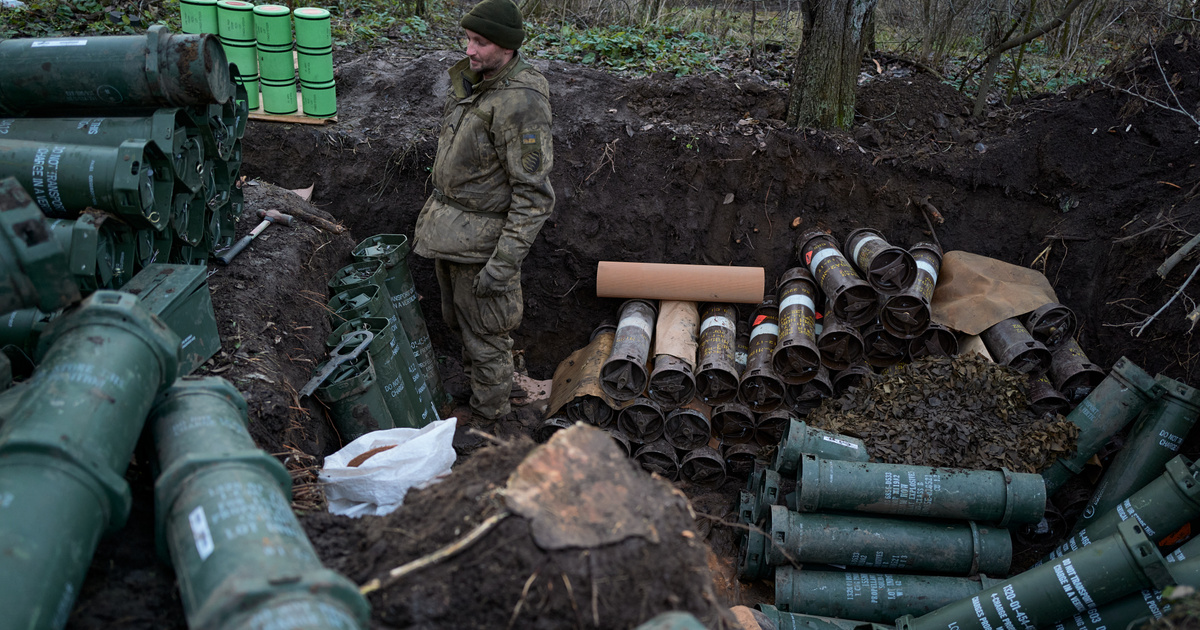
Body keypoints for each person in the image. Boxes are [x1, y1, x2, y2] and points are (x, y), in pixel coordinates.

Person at [413, 0, 554, 424]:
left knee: (488, 337)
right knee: (459, 325)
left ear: (508, 48)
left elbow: (534, 196)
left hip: (483, 248)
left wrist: (504, 265)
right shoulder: (478, 82)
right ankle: (483, 390)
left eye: (480, 42)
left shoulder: (521, 102)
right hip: (452, 233)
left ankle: (489, 423)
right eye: (468, 39)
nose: (469, 50)